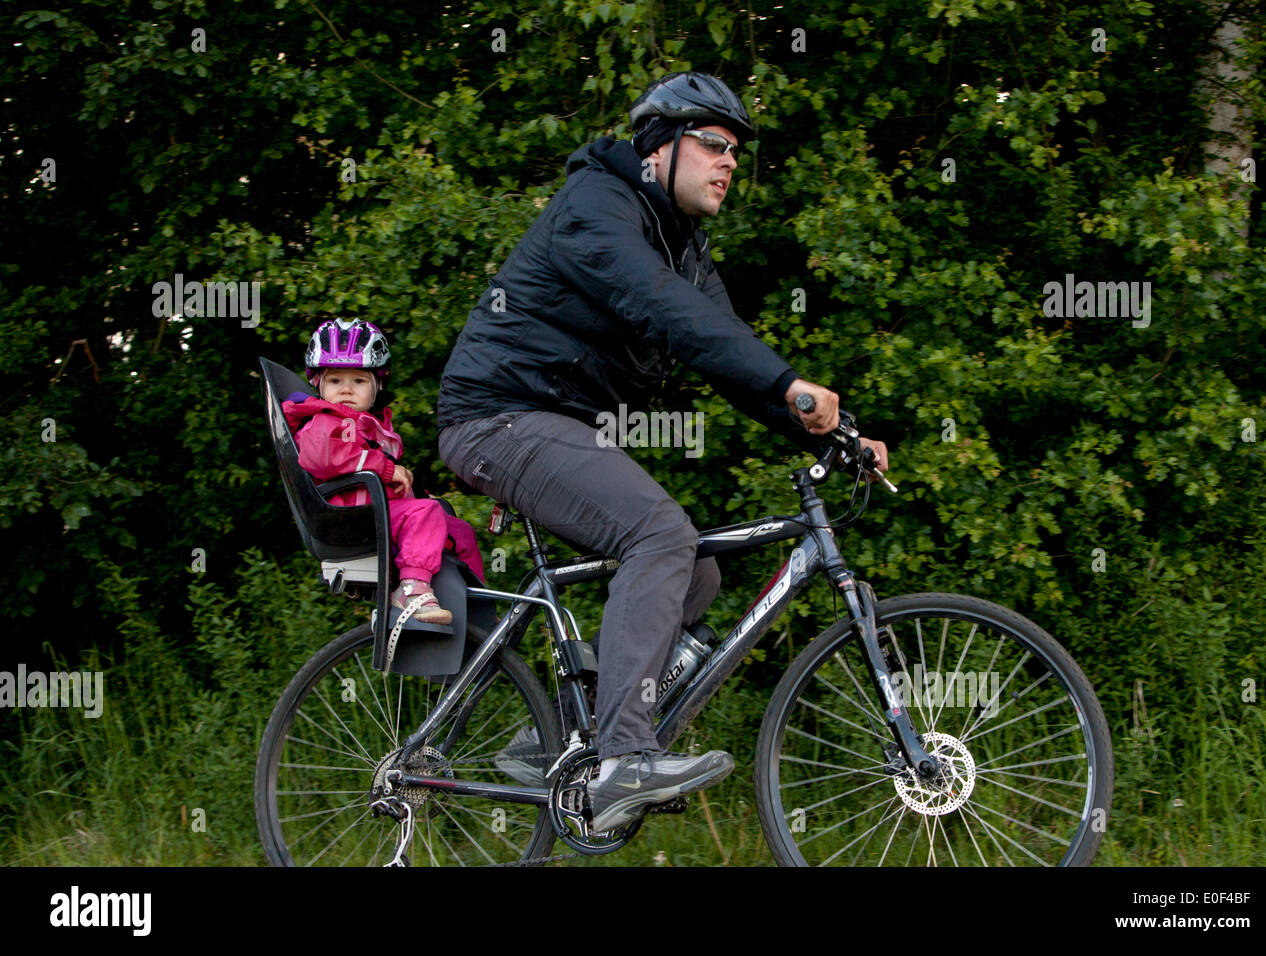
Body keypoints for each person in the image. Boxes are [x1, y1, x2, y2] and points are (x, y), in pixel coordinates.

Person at [437, 73, 889, 833]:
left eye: (736, 155)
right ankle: (623, 758)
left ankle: (557, 741)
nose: (728, 163)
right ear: (659, 147)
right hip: (498, 418)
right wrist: (790, 385)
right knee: (658, 533)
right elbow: (664, 309)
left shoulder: (681, 247)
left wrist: (832, 428)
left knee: (697, 567)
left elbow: (724, 349)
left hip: (557, 426)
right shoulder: (597, 208)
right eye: (714, 144)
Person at [284, 317, 485, 625]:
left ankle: (475, 613)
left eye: (359, 381)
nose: (347, 389)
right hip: (353, 515)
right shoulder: (325, 421)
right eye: (335, 381)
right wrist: (386, 469)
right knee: (425, 513)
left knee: (459, 531)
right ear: (318, 383)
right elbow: (322, 457)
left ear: (377, 385)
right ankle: (412, 589)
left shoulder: (366, 426)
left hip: (378, 508)